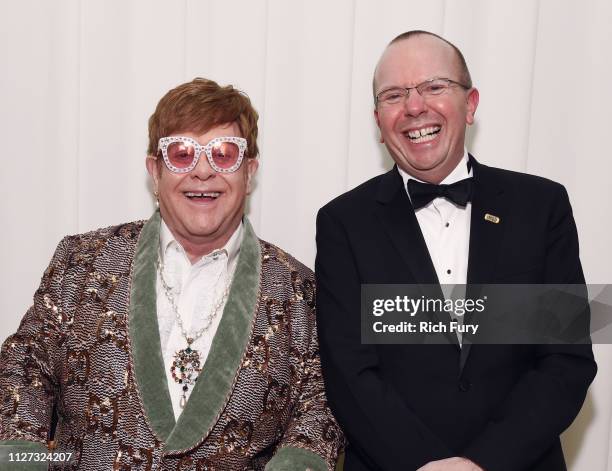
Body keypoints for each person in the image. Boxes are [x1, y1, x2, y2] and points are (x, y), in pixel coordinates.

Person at [0, 78, 343, 470]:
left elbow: (321, 405)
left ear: (249, 173)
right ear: (154, 172)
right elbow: (24, 366)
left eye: (224, 154)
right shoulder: (81, 262)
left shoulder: (298, 291)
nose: (202, 172)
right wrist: (18, 458)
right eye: (181, 154)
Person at [315, 31, 596, 471]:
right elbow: (350, 376)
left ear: (471, 103)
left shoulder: (542, 207)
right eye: (394, 94)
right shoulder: (341, 224)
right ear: (377, 118)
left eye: (434, 86)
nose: (414, 107)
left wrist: (483, 462)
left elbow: (566, 361)